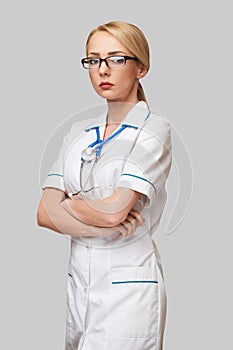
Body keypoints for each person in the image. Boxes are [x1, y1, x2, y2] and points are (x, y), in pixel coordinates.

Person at [37, 21, 172, 350]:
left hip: (128, 291)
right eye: (93, 60)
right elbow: (43, 213)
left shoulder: (153, 129)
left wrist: (68, 206)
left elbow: (115, 211)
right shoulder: (78, 132)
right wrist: (101, 220)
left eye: (116, 59)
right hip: (80, 282)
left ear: (141, 67)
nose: (103, 70)